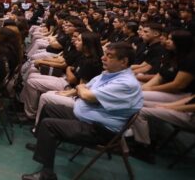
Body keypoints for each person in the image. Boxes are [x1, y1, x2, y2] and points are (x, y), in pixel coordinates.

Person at [22, 42, 143, 180]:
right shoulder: (110, 74)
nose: (103, 58)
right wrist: (82, 89)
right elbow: (84, 87)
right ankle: (42, 146)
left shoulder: (125, 83)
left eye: (109, 56)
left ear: (124, 61)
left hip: (99, 129)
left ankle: (46, 174)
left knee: (49, 125)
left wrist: (82, 90)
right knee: (49, 107)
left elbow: (86, 94)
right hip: (87, 116)